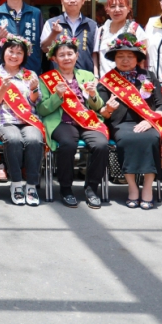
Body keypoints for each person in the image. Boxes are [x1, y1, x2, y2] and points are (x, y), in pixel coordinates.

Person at [37, 36, 108, 209]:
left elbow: (98, 106)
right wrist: (57, 96)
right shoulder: (46, 79)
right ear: (54, 58)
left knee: (101, 145)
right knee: (68, 144)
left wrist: (93, 95)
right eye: (61, 55)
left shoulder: (87, 75)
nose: (66, 58)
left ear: (77, 55)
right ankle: (66, 188)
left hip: (86, 120)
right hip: (61, 121)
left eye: (70, 54)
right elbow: (42, 109)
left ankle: (92, 188)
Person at [97, 33, 162, 210]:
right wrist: (108, 109)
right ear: (114, 59)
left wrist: (151, 121)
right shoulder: (107, 80)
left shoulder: (149, 76)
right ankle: (133, 187)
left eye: (130, 56)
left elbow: (161, 107)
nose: (125, 60)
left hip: (148, 121)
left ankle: (148, 187)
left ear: (137, 58)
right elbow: (102, 114)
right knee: (127, 139)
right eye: (120, 56)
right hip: (120, 124)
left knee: (151, 138)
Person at [0, 34, 45, 206]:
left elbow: (35, 101)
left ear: (24, 56)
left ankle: (31, 185)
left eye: (19, 53)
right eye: (11, 51)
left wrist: (34, 90)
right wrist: (3, 88)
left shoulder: (29, 74)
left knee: (34, 139)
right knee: (13, 139)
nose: (14, 56)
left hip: (27, 120)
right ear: (3, 52)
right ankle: (17, 184)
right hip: (3, 120)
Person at [40, 0, 99, 72]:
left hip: (86, 77)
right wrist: (54, 33)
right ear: (62, 0)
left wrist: (96, 75)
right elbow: (44, 49)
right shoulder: (51, 23)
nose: (72, 0)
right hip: (58, 77)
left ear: (83, 0)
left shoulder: (92, 25)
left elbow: (94, 54)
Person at [93, 0, 147, 78]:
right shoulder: (101, 30)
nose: (117, 10)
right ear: (107, 10)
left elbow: (143, 60)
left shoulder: (135, 29)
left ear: (128, 8)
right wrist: (96, 76)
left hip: (128, 82)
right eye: (113, 6)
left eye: (121, 6)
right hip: (105, 81)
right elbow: (96, 56)